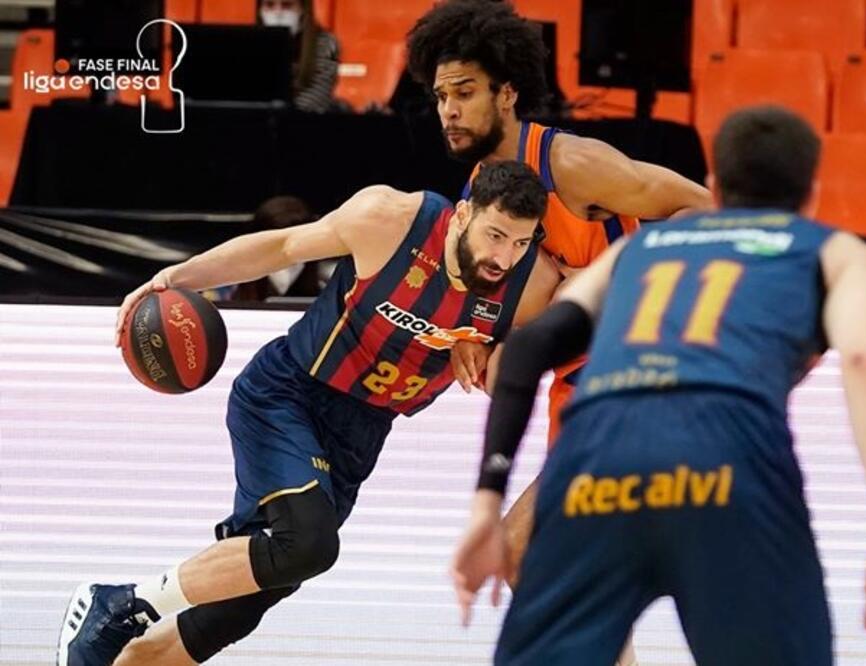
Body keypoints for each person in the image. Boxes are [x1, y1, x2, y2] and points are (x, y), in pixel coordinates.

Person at [452, 106, 866, 665]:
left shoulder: (636, 249)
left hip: (600, 466)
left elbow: (524, 350)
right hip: (726, 462)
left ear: (715, 184)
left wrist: (485, 503)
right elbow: (861, 357)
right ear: (810, 194)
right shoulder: (835, 251)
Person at [56, 161, 561, 666]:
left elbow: (503, 379)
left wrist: (490, 350)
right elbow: (281, 247)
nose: (503, 256)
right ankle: (119, 604)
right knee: (308, 544)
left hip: (362, 432)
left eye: (520, 242)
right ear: (463, 213)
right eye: (495, 235)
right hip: (289, 393)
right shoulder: (390, 219)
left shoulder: (530, 283)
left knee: (234, 611)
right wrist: (174, 276)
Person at [406, 4, 713, 661]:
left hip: (632, 378)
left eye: (464, 93)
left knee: (526, 552)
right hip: (576, 388)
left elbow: (702, 208)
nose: (449, 110)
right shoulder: (482, 186)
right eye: (440, 97)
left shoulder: (572, 164)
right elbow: (507, 291)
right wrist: (473, 332)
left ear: (507, 92)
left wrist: (605, 283)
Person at [257, 0, 344, 114]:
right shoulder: (250, 44)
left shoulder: (325, 44)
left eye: (287, 5)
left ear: (302, 8)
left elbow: (315, 100)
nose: (278, 12)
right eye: (269, 5)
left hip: (303, 125)